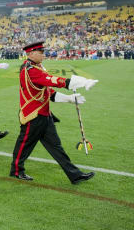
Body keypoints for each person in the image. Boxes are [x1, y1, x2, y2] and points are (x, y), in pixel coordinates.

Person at [10, 41, 98, 184]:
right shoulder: (30, 70)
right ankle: (16, 171)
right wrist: (81, 82)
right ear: (31, 53)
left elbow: (48, 93)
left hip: (44, 115)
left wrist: (69, 99)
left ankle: (74, 175)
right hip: (33, 116)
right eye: (41, 52)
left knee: (56, 146)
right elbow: (53, 80)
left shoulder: (37, 68)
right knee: (24, 144)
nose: (43, 55)